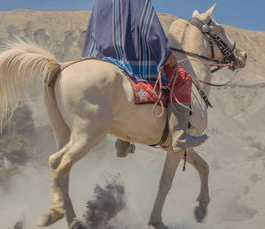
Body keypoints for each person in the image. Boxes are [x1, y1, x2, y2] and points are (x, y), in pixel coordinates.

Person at [83, 0, 208, 152]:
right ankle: (179, 135)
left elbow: (92, 31)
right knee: (181, 77)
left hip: (100, 57)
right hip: (130, 59)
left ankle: (123, 140)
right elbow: (148, 25)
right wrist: (165, 53)